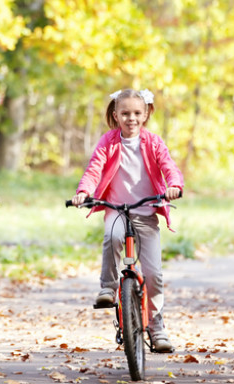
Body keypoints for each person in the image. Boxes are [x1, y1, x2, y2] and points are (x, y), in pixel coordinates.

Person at [70, 88, 184, 354]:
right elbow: (94, 169)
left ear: (145, 114)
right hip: (117, 210)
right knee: (112, 236)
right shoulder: (108, 142)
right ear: (115, 115)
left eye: (136, 113)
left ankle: (157, 328)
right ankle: (108, 288)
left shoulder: (154, 142)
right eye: (125, 113)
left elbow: (169, 167)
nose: (131, 118)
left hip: (145, 215)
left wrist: (174, 185)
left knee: (154, 274)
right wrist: (83, 192)